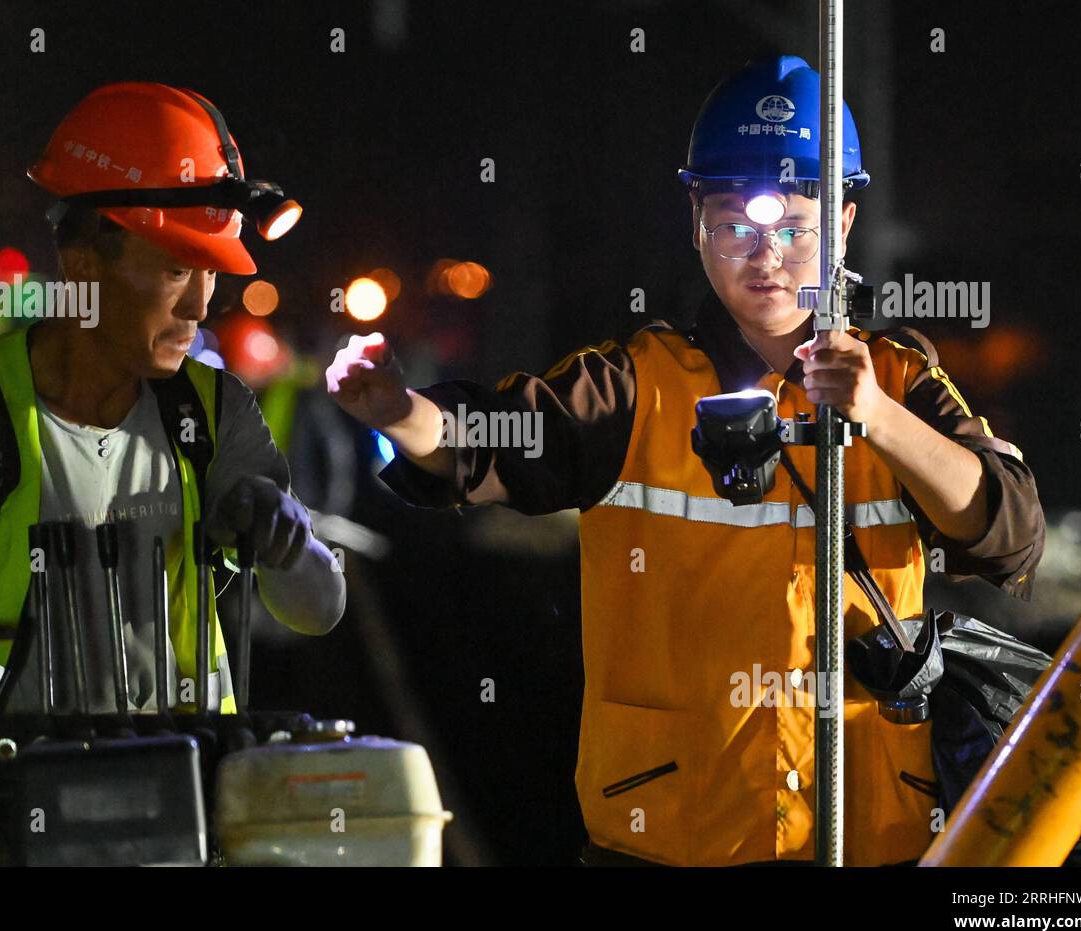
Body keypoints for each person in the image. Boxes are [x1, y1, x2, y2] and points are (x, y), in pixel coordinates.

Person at [325, 56, 1044, 866]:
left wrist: (874, 415)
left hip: (862, 832)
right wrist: (397, 410)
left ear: (840, 223)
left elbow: (1008, 532)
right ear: (695, 220)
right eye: (736, 223)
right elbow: (491, 444)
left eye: (794, 228)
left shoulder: (902, 375)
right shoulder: (637, 384)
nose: (764, 256)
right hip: (672, 839)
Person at [0, 82, 346, 866]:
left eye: (213, 275)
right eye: (178, 269)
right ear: (83, 261)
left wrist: (289, 543)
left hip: (191, 830)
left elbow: (320, 608)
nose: (201, 307)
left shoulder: (215, 414)